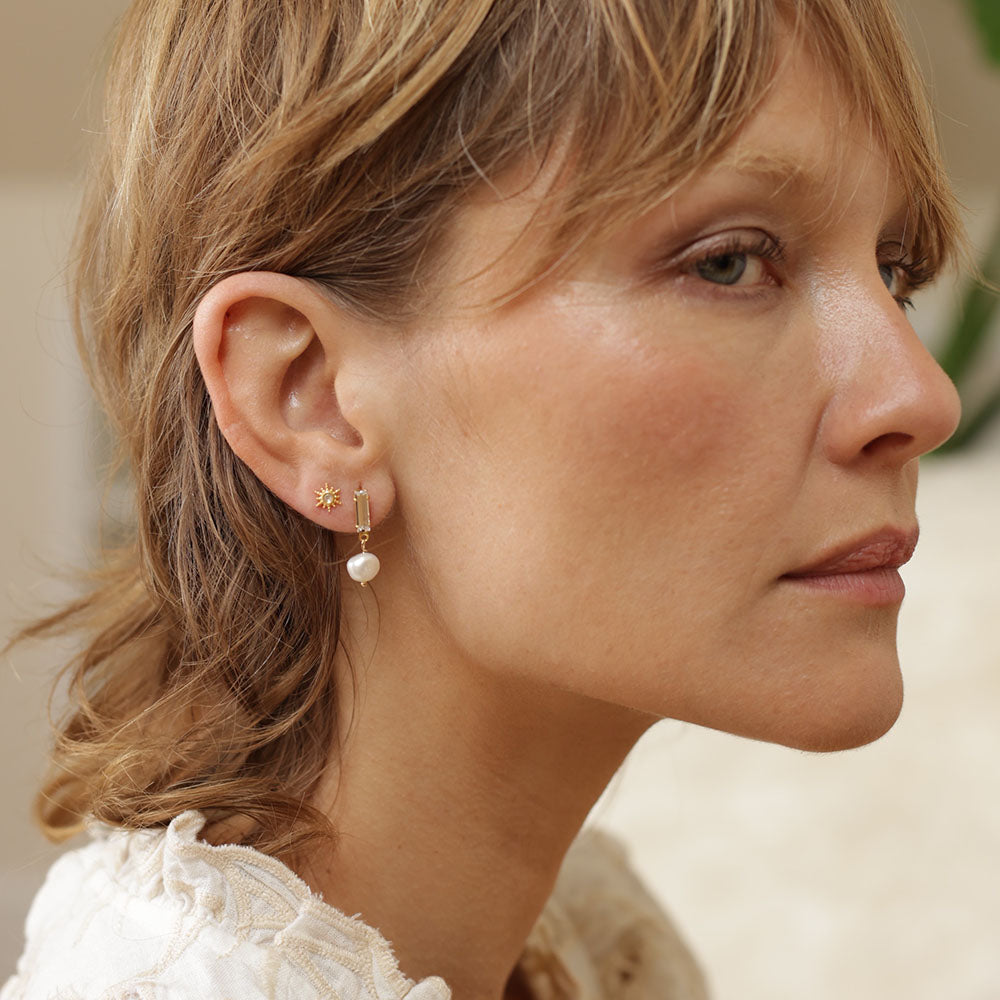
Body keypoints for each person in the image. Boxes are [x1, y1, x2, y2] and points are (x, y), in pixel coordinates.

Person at [2, 0, 964, 998]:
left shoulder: (594, 950)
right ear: (312, 399)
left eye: (893, 271)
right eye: (728, 262)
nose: (920, 396)